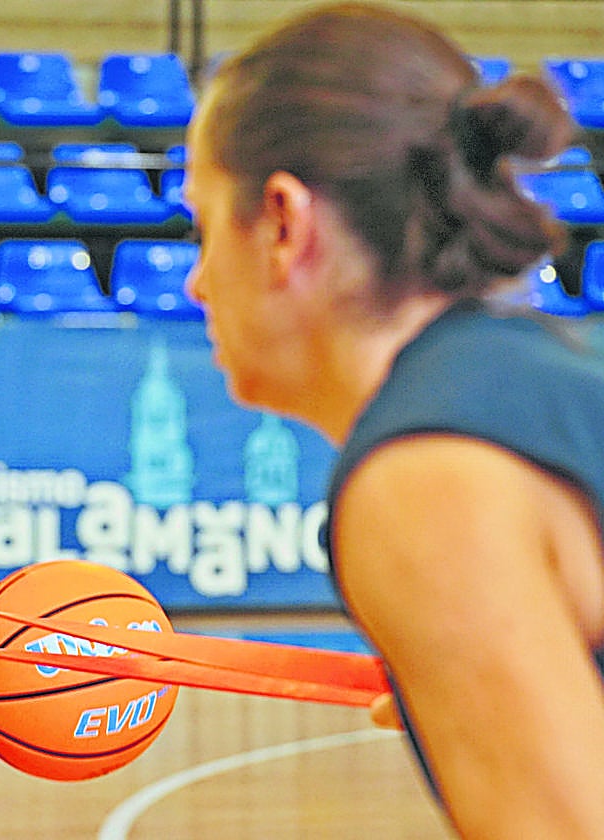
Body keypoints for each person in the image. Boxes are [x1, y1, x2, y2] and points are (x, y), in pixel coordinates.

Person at [181, 3, 604, 837]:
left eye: (203, 226)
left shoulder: (425, 478)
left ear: (283, 224)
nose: (196, 283)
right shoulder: (527, 371)